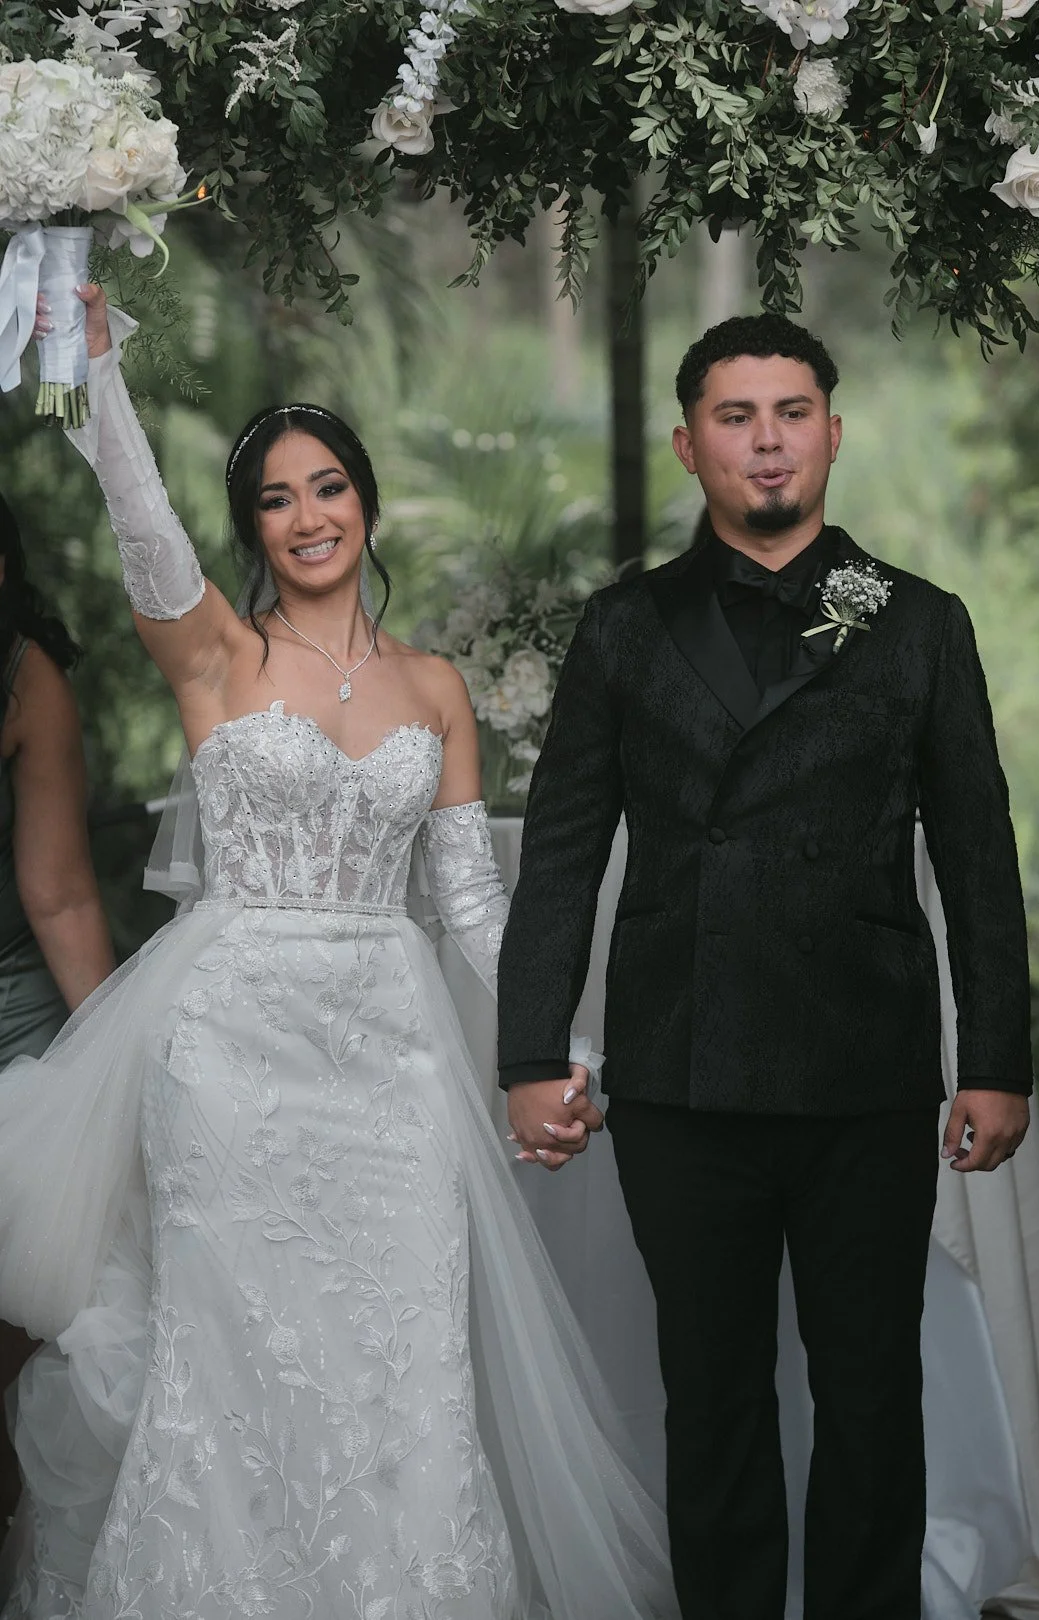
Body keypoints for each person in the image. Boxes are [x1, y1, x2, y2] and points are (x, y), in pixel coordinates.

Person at [0, 287, 675, 1620]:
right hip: (230, 1056)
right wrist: (100, 378)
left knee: (403, 1353)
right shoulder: (216, 655)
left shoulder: (435, 687)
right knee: (231, 1358)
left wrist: (546, 1047)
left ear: (365, 503)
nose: (308, 516)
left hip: (392, 1058)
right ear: (253, 527)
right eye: (276, 499)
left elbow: (471, 904)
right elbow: (142, 523)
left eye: (328, 488)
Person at [497, 313, 1032, 1620]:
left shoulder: (919, 623)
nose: (768, 440)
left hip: (867, 1073)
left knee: (871, 1393)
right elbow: (562, 854)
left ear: (833, 434)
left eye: (792, 412)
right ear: (690, 446)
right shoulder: (624, 628)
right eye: (736, 417)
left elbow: (977, 855)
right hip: (684, 1071)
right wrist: (529, 1054)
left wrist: (998, 1061)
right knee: (713, 1397)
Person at [0, 493, 114, 1532]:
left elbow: (62, 896)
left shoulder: (24, 675)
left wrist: (114, 1061)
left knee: (41, 1272)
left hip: (13, 1015)